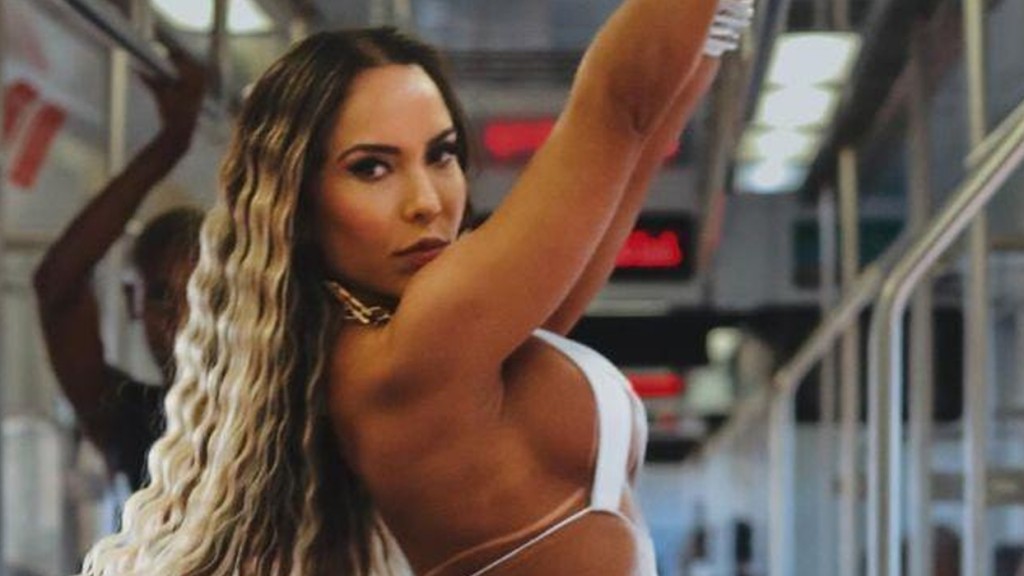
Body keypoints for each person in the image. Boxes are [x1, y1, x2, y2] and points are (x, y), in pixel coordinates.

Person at [81, 0, 753, 573]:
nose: (426, 201)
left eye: (442, 154)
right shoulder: (412, 353)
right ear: (300, 204)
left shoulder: (433, 341)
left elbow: (639, 144)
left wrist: (714, 27)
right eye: (371, 168)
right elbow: (615, 106)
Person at [33, 52, 206, 491]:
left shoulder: (275, 410)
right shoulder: (131, 417)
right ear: (134, 303)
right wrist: (169, 146)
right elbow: (57, 287)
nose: (180, 319)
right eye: (162, 296)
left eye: (201, 295)